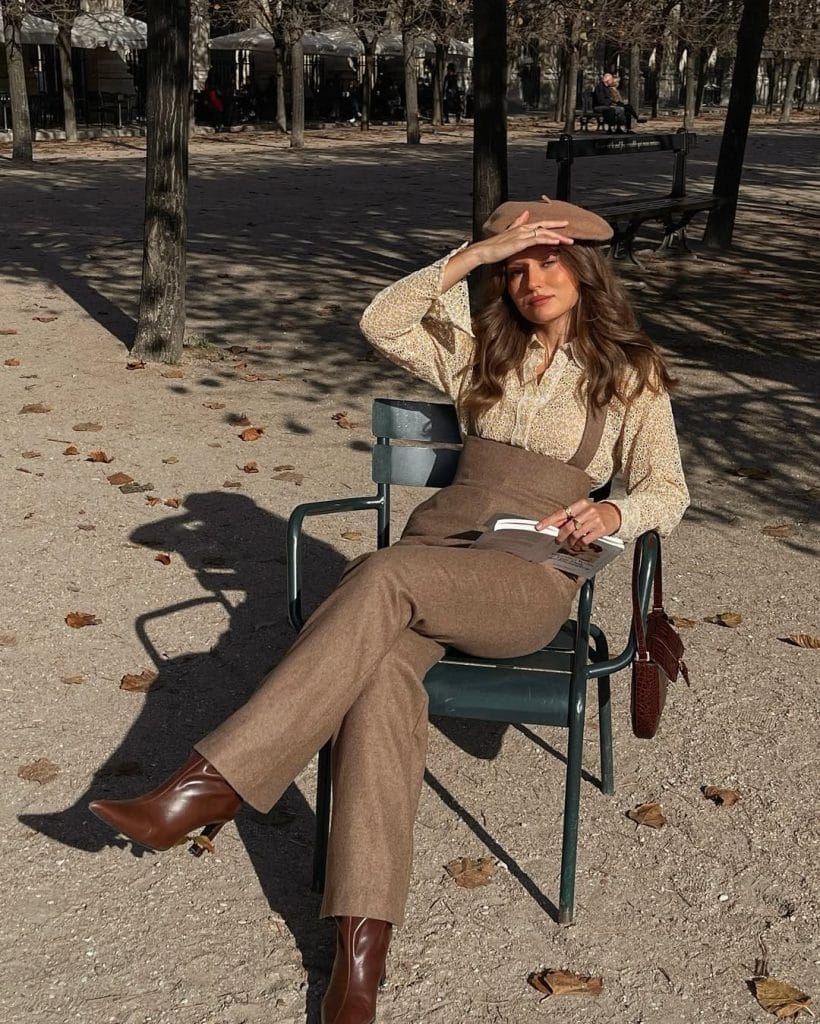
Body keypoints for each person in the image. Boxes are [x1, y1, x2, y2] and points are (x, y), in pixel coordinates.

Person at [87, 197, 689, 1024]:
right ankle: (358, 965)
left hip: (525, 578)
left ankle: (211, 784)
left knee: (380, 576)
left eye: (548, 261)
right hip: (433, 556)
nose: (532, 279)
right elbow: (383, 318)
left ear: (584, 271)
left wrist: (612, 514)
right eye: (519, 266)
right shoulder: (482, 355)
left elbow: (668, 488)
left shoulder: (629, 371)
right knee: (377, 685)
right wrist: (479, 254)